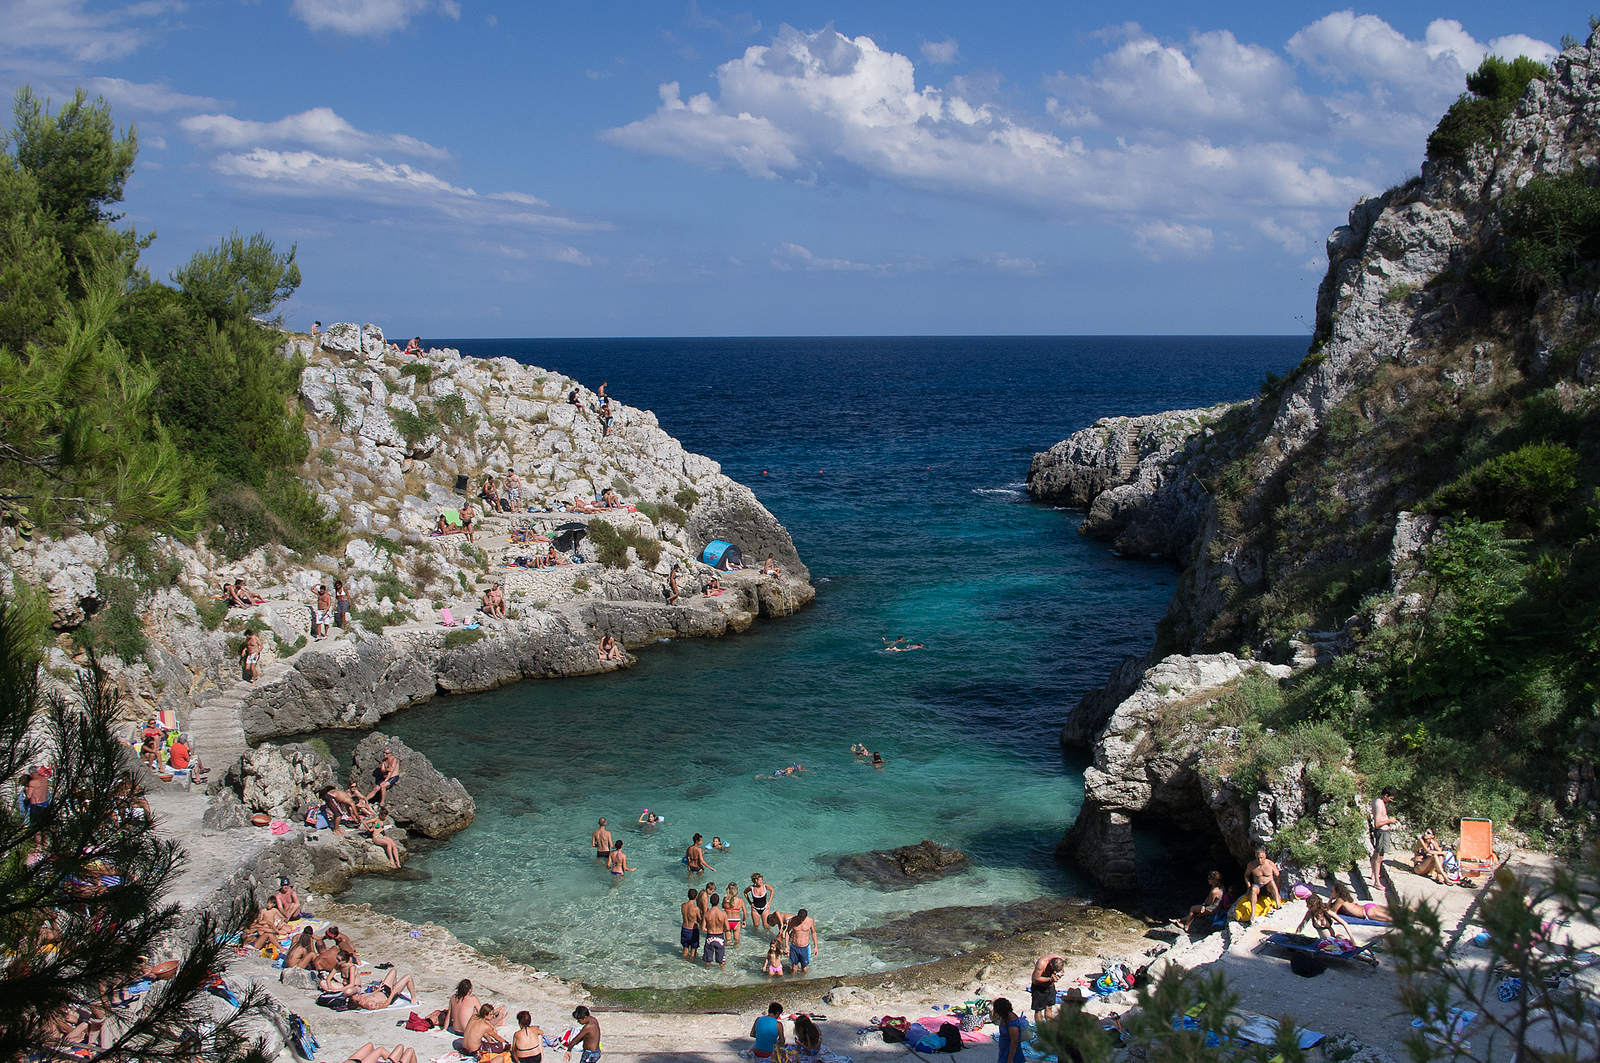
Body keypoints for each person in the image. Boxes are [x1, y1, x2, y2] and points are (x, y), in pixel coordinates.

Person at [344, 968, 418, 1011]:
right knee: (408, 977)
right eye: (354, 996)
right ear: (357, 1002)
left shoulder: (362, 996)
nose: (355, 995)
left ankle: (396, 987)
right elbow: (384, 1006)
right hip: (388, 996)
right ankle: (413, 998)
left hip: (383, 990)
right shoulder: (368, 1004)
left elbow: (371, 995)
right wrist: (393, 993)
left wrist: (377, 990)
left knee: (393, 971)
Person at [1243, 847, 1283, 922]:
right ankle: (1253, 912)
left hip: (1268, 886)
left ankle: (1278, 904)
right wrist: (1248, 886)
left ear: (1265, 856)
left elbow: (1278, 876)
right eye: (1258, 858)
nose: (1260, 860)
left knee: (1272, 883)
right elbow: (1246, 875)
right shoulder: (1251, 865)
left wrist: (1278, 890)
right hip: (1258, 885)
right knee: (1253, 888)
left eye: (1261, 858)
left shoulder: (1270, 864)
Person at [1370, 785, 1398, 885]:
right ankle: (1377, 882)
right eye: (1390, 798)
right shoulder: (1379, 805)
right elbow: (1377, 824)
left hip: (1383, 832)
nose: (1390, 800)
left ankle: (1374, 874)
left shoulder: (1378, 800)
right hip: (1381, 832)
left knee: (1376, 854)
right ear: (1386, 795)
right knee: (1379, 856)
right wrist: (1389, 821)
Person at [1328, 881, 1393, 922]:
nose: (1331, 892)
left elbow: (1332, 912)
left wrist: (1331, 898)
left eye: (1332, 891)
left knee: (1393, 920)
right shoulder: (1343, 899)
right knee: (1393, 914)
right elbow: (1329, 908)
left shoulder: (1340, 900)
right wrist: (1331, 899)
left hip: (1367, 912)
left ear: (1337, 893)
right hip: (1368, 907)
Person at [1030, 954, 1065, 1026]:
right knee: (1039, 1010)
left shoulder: (1059, 960)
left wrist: (1060, 975)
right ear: (1051, 964)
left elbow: (1061, 970)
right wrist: (1049, 979)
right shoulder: (1042, 963)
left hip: (1050, 987)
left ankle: (1050, 1026)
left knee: (1049, 1007)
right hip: (1039, 988)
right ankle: (1040, 1029)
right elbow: (1035, 978)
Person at [993, 998, 1026, 1063]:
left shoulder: (1012, 1023)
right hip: (1004, 1052)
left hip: (1011, 1055)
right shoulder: (1005, 1018)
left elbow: (1014, 1042)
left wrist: (1010, 1059)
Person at [786, 909, 816, 974]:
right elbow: (787, 932)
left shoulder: (810, 921)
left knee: (804, 968)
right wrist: (786, 944)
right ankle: (793, 981)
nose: (801, 921)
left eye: (803, 919)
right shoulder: (792, 920)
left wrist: (816, 947)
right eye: (800, 919)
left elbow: (813, 933)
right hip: (794, 946)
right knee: (794, 968)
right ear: (798, 916)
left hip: (805, 947)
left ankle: (804, 981)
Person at [703, 897, 729, 968]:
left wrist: (709, 930)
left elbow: (703, 928)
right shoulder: (723, 913)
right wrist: (721, 930)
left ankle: (706, 972)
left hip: (710, 936)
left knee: (708, 961)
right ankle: (722, 974)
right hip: (720, 936)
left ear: (710, 902)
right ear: (719, 902)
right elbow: (727, 928)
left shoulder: (706, 914)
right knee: (721, 961)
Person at [681, 889, 703, 960]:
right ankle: (692, 964)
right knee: (693, 952)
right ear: (696, 897)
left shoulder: (683, 906)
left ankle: (683, 963)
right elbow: (699, 921)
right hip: (693, 931)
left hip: (684, 929)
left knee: (685, 950)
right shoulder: (696, 909)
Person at [722, 882, 745, 946]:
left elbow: (723, 906)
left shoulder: (725, 899)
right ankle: (737, 954)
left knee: (727, 941)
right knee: (737, 940)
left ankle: (727, 954)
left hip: (727, 921)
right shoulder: (740, 900)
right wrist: (744, 920)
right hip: (736, 921)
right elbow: (744, 912)